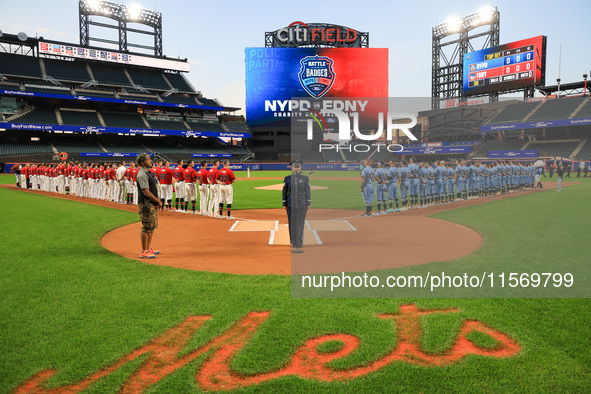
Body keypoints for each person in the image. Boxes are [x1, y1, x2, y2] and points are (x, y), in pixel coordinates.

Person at [136, 153, 162, 259]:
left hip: (151, 203)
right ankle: (144, 251)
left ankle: (148, 248)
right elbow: (146, 192)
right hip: (146, 203)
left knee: (151, 226)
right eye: (148, 159)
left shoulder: (147, 172)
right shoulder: (142, 174)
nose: (151, 161)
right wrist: (158, 201)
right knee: (146, 227)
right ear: (142, 162)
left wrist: (155, 202)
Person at [282, 159, 311, 253]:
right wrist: (284, 203)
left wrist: (308, 203)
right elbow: (284, 191)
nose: (296, 168)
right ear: (292, 168)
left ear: (300, 168)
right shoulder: (287, 178)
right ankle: (293, 242)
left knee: (300, 224)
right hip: (291, 204)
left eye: (298, 167)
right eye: (295, 167)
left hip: (302, 204)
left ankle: (299, 242)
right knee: (292, 224)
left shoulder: (305, 178)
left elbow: (308, 191)